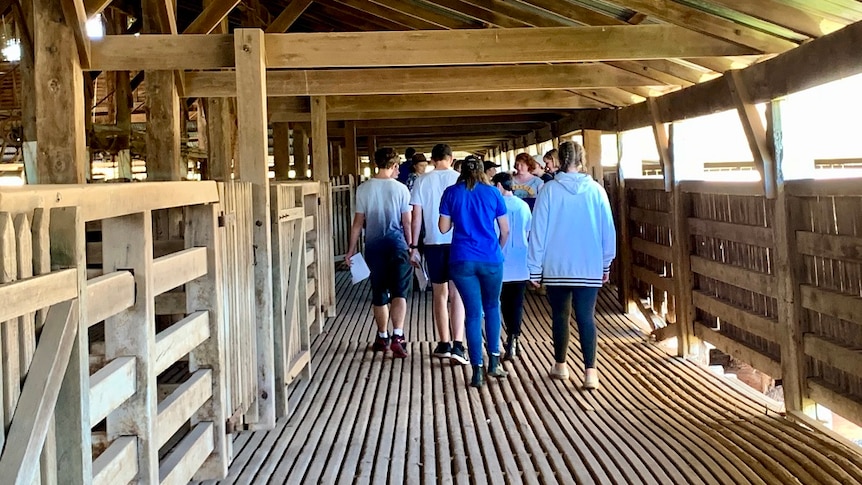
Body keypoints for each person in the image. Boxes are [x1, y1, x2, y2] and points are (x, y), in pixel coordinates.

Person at [527, 141, 616, 390]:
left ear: (560, 160)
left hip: (556, 266)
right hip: (588, 264)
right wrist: (606, 263)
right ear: (582, 160)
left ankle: (561, 365)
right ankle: (590, 372)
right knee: (586, 317)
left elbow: (538, 231)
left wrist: (534, 267)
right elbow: (607, 230)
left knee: (560, 315)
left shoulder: (549, 191)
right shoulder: (597, 191)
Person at [439, 156, 510, 388]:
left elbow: (443, 228)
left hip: (461, 258)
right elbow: (505, 230)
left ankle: (477, 370)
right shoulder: (493, 193)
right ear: (482, 171)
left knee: (472, 313)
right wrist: (496, 250)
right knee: (492, 307)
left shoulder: (451, 193)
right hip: (490, 258)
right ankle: (494, 362)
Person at [345, 147, 414, 358]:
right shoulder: (401, 189)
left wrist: (351, 250)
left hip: (373, 247)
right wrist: (412, 247)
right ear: (394, 165)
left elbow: (358, 222)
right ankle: (398, 336)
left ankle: (382, 337)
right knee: (399, 292)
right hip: (398, 245)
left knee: (379, 293)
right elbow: (407, 221)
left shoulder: (363, 189)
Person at [409, 144, 468, 364]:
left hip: (433, 241)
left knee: (439, 294)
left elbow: (416, 217)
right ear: (451, 159)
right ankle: (458, 344)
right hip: (459, 242)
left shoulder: (422, 181)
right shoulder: (461, 179)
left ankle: (443, 343)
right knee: (457, 294)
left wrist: (413, 246)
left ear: (433, 160)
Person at [491, 172, 531, 361]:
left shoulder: (496, 205)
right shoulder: (523, 205)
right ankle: (514, 338)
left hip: (500, 259)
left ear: (499, 186)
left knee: (497, 302)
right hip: (521, 260)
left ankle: (498, 341)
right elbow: (529, 231)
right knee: (516, 303)